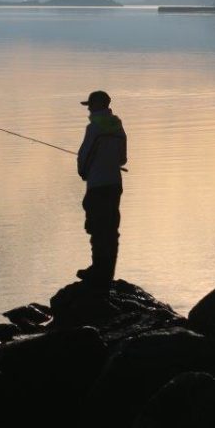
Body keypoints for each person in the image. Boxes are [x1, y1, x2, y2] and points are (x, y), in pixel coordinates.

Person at [76, 90, 127, 291]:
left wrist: (83, 172)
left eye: (90, 105)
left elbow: (84, 158)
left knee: (97, 228)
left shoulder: (94, 127)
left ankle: (98, 271)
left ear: (97, 106)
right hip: (115, 183)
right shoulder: (118, 126)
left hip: (97, 185)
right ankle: (107, 272)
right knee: (110, 229)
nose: (88, 108)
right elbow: (123, 158)